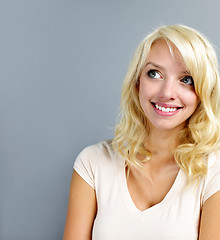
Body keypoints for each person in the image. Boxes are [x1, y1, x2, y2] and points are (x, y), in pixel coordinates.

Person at [63, 25, 220, 240]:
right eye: (154, 74)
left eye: (186, 79)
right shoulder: (93, 163)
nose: (167, 93)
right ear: (137, 83)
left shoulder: (214, 171)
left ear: (203, 92)